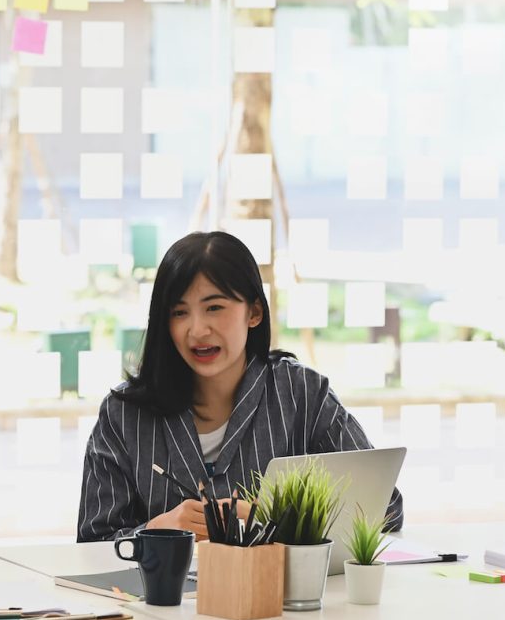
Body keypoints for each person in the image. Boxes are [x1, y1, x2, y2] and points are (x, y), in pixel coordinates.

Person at [77, 231, 403, 542]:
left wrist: (275, 520)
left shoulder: (303, 393)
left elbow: (385, 508)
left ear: (254, 312)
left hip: (276, 597)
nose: (197, 330)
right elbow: (92, 542)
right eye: (179, 312)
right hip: (163, 600)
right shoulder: (124, 413)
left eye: (214, 308)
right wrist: (154, 532)